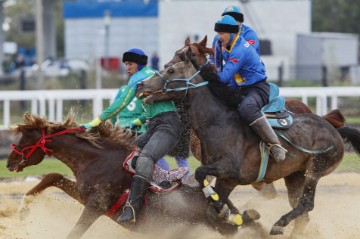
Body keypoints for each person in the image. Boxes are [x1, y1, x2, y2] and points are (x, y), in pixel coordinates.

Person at [82, 48, 181, 223]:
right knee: (128, 154)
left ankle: (133, 209)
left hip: (166, 127)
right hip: (156, 125)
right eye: (126, 64)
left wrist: (96, 121)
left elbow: (121, 103)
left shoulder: (138, 78)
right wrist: (140, 121)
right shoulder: (151, 73)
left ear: (139, 64)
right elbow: (156, 105)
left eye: (130, 63)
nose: (127, 67)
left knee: (144, 159)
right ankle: (160, 181)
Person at [213, 15, 286, 162]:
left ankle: (275, 144)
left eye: (222, 34)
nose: (218, 37)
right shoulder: (224, 45)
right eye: (218, 33)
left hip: (258, 88)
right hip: (240, 88)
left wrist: (203, 73)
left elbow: (223, 77)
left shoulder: (240, 50)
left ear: (232, 33)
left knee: (246, 108)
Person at [211, 5, 260, 70]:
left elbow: (245, 57)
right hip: (231, 71)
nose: (231, 22)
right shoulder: (218, 37)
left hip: (249, 72)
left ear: (240, 21)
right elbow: (213, 58)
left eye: (234, 19)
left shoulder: (250, 34)